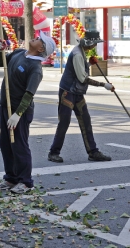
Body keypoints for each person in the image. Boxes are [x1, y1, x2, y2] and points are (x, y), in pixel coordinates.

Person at [0, 32, 56, 194]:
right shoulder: (18, 53)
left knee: (19, 145)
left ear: (41, 48)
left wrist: (18, 114)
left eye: (39, 39)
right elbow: (1, 63)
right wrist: (0, 50)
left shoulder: (35, 69)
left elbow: (29, 94)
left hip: (19, 112)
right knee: (6, 144)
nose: (35, 38)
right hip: (5, 106)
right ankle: (11, 178)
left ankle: (26, 182)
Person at [48, 30, 114, 163]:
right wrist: (103, 85)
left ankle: (93, 152)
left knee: (86, 121)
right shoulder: (77, 54)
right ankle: (53, 152)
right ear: (89, 43)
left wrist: (89, 63)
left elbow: (79, 69)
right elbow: (83, 78)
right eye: (94, 44)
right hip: (68, 92)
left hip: (77, 93)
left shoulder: (81, 51)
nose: (95, 46)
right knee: (64, 123)